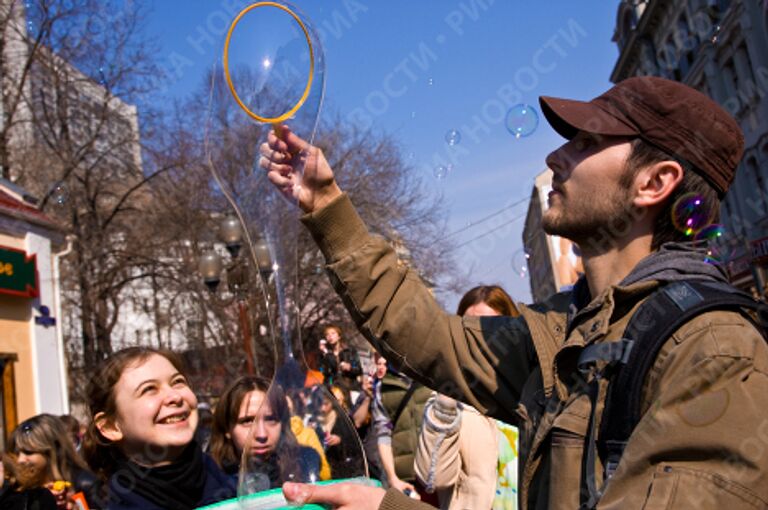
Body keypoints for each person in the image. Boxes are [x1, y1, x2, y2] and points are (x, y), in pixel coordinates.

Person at [261, 76, 768, 509]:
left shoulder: (717, 355)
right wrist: (326, 202)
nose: (555, 154)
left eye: (587, 143)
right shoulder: (564, 333)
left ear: (654, 183)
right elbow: (429, 335)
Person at [82, 346, 235, 509]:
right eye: (149, 389)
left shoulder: (239, 489)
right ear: (111, 427)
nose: (175, 397)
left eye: (178, 382)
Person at [415, 285, 520, 510]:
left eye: (492, 325)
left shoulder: (533, 387)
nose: (480, 336)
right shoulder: (451, 398)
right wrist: (446, 402)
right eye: (469, 328)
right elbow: (432, 479)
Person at [209, 375, 322, 489]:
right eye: (247, 421)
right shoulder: (211, 478)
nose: (262, 434)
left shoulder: (304, 464)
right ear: (227, 428)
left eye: (271, 419)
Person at [6, 413, 104, 509]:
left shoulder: (85, 484)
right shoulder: (17, 489)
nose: (20, 460)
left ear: (51, 451)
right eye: (17, 453)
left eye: (28, 452)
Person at [318, 324, 362, 394]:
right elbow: (323, 372)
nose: (330, 336)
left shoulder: (349, 351)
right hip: (335, 390)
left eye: (333, 333)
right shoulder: (325, 354)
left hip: (351, 388)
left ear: (339, 336)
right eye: (327, 334)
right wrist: (325, 354)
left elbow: (359, 369)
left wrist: (350, 367)